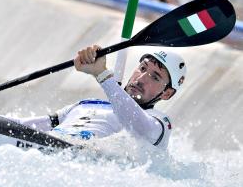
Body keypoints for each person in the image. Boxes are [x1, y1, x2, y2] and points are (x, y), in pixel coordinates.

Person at [14, 45, 186, 150]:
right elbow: (20, 127)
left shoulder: (160, 123)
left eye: (155, 77)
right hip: (48, 147)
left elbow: (139, 126)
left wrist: (102, 74)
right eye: (142, 68)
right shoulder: (86, 104)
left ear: (167, 93)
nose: (141, 79)